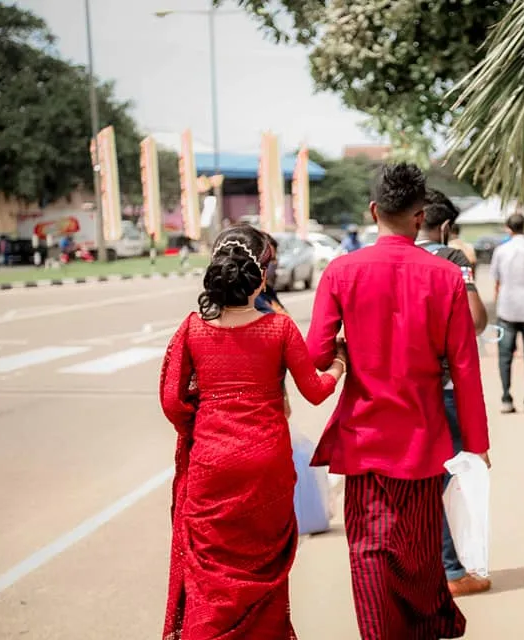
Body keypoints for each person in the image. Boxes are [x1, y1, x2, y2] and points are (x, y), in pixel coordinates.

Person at [306, 163, 490, 639]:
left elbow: (316, 354)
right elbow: (465, 366)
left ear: (373, 211)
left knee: (369, 552)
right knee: (421, 556)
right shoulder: (446, 276)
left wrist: (343, 355)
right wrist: (475, 440)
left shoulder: (341, 271)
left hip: (363, 442)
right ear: (420, 215)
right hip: (424, 442)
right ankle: (429, 627)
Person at [159, 224, 347, 639]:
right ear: (259, 278)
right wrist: (338, 364)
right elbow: (315, 392)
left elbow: (172, 402)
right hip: (267, 466)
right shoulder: (278, 328)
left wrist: (208, 418)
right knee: (264, 572)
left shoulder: (191, 330)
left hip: (211, 463)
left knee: (211, 576)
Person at [417, 188, 491, 596]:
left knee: (416, 477)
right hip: (443, 385)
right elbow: (476, 320)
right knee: (453, 476)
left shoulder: (394, 261)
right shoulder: (451, 259)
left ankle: (425, 567)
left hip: (400, 389)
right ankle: (451, 570)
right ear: (445, 227)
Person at [490, 212, 524, 414]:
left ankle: (506, 398)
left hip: (507, 310)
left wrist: (498, 301)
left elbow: (496, 282)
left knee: (505, 357)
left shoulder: (501, 251)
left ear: (508, 228)